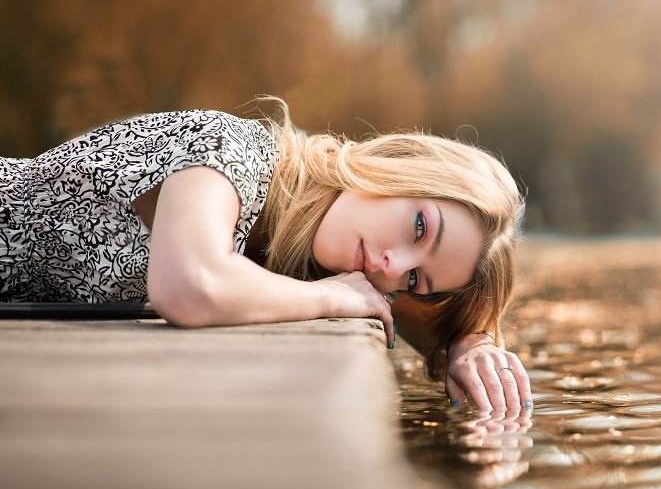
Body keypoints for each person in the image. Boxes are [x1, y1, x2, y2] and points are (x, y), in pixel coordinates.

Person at [0, 98, 531, 412]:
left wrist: (468, 342)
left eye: (417, 280)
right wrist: (324, 297)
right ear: (398, 165)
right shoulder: (234, 148)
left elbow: (420, 318)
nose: (394, 267)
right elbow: (190, 285)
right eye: (419, 226)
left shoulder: (299, 245)